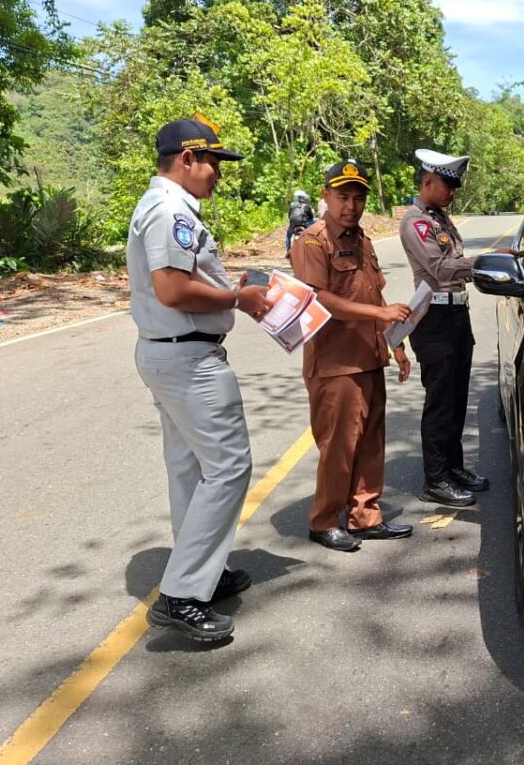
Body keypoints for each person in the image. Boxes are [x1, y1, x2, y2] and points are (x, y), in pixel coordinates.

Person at [128, 115, 274, 642]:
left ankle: (200, 576)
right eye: (213, 161)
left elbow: (181, 284)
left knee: (189, 470)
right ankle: (183, 595)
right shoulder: (171, 211)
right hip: (189, 359)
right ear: (187, 158)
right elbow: (171, 289)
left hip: (169, 351)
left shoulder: (161, 207)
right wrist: (239, 298)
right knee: (229, 467)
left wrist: (226, 291)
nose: (217, 173)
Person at [291, 160, 413, 552]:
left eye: (358, 198)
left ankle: (365, 515)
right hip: (335, 363)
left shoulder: (363, 240)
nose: (351, 205)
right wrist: (380, 314)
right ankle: (324, 520)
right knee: (339, 448)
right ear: (325, 196)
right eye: (343, 196)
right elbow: (318, 298)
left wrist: (395, 341)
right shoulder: (312, 241)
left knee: (371, 442)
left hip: (369, 356)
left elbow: (373, 293)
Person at [399, 149, 519, 507]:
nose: (453, 192)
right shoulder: (416, 223)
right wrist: (490, 261)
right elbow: (441, 269)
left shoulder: (441, 219)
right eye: (448, 185)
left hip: (455, 316)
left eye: (455, 186)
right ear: (428, 182)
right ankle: (435, 479)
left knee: (457, 399)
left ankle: (453, 467)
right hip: (433, 320)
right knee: (440, 403)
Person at [286, 190, 314, 255]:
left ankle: (288, 250)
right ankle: (311, 247)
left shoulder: (292, 205)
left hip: (293, 224)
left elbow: (289, 215)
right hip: (304, 223)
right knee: (311, 232)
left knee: (288, 236)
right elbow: (311, 216)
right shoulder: (307, 206)